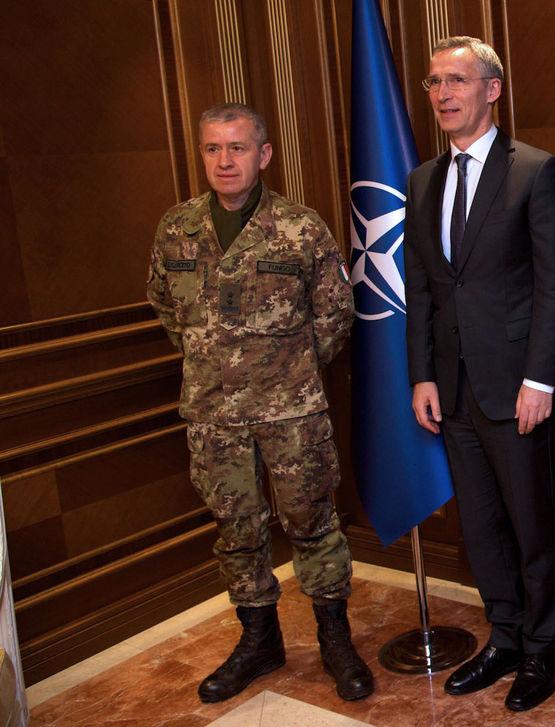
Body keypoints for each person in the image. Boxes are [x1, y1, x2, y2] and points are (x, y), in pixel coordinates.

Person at [146, 103, 373, 703]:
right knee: (236, 529)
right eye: (213, 148)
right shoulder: (177, 227)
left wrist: (284, 371)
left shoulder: (300, 228)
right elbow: (166, 306)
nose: (225, 160)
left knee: (313, 523)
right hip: (212, 414)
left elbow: (334, 315)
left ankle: (335, 639)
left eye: (238, 147)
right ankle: (259, 639)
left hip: (291, 413)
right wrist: (215, 361)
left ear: (264, 154)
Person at [404, 36, 555, 712]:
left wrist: (541, 380)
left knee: (532, 525)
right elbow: (424, 287)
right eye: (434, 82)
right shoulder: (423, 179)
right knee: (480, 528)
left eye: (457, 80)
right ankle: (504, 636)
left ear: (492, 89)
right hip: (451, 390)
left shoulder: (535, 170)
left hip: (517, 389)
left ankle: (543, 645)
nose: (443, 94)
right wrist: (422, 375)